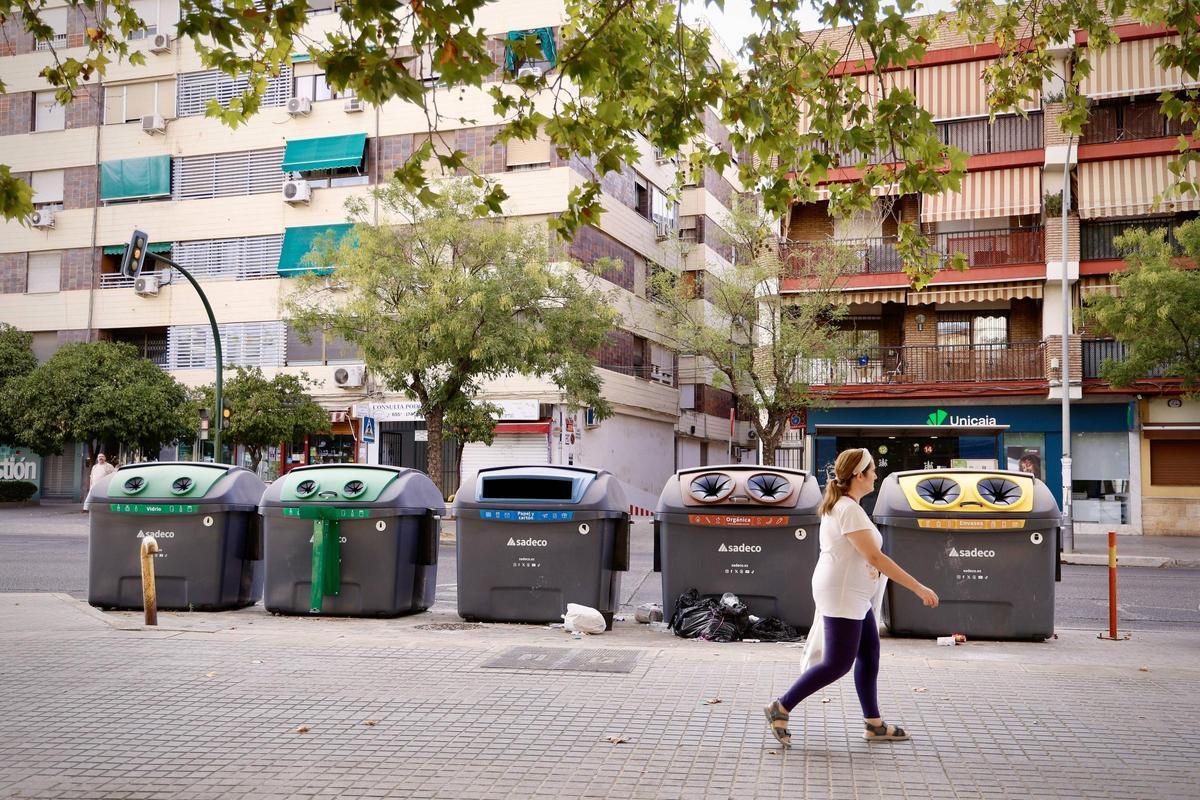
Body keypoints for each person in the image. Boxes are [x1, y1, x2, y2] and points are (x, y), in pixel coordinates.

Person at [763, 447, 939, 747]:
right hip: (843, 594)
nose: (875, 475)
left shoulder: (846, 505)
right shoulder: (848, 509)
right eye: (872, 471)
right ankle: (781, 707)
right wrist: (918, 587)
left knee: (869, 653)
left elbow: (860, 556)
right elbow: (875, 555)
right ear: (859, 475)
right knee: (838, 663)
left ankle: (874, 724)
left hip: (852, 593)